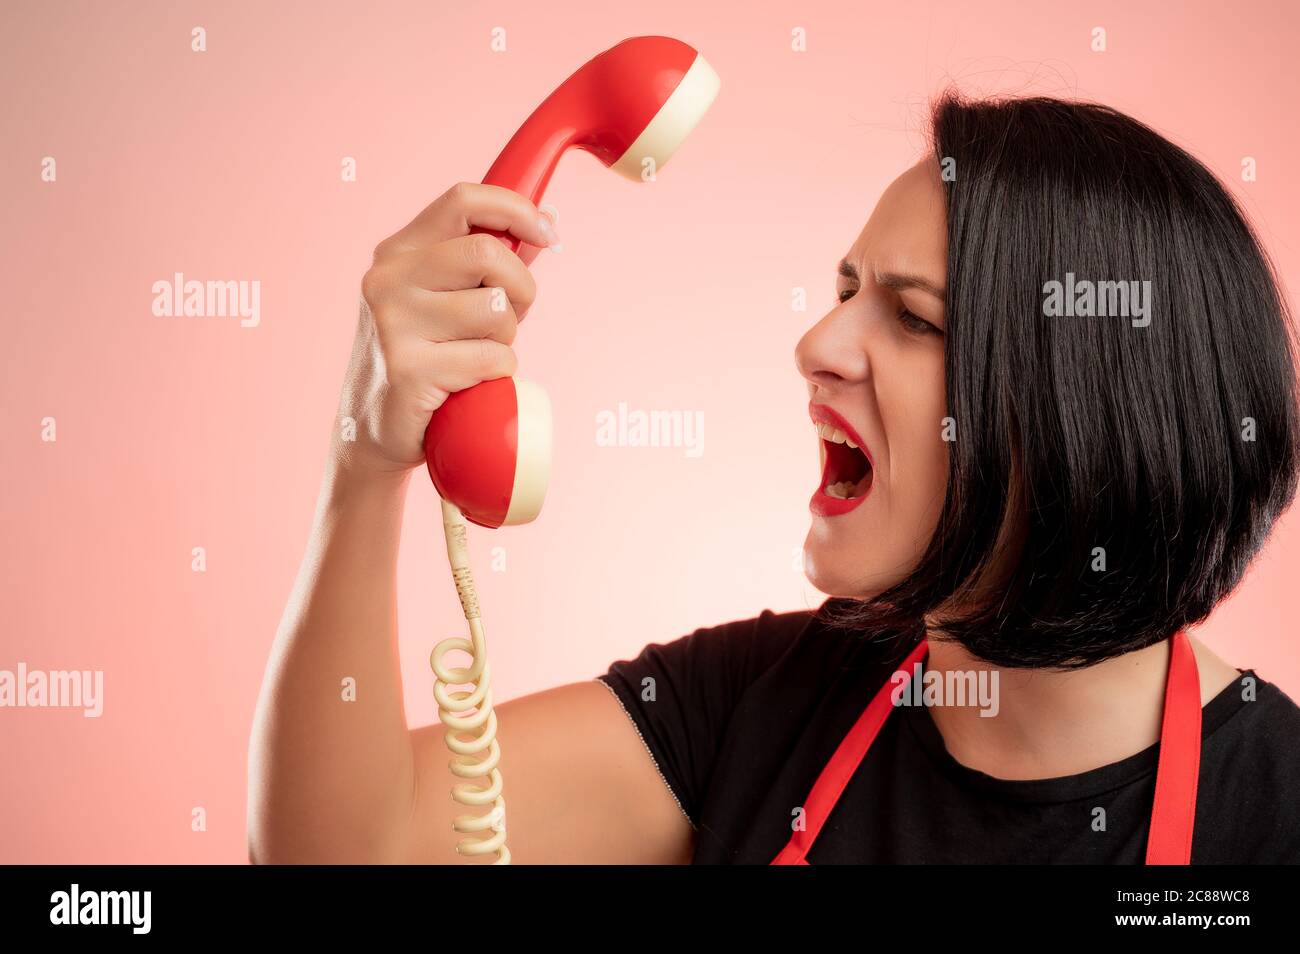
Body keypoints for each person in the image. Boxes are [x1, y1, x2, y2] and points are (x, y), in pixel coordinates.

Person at [247, 94, 1300, 864]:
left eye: (914, 317)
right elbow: (340, 852)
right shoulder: (760, 701)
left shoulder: (1276, 810)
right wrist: (365, 459)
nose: (818, 343)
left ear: (1090, 413)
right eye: (844, 291)